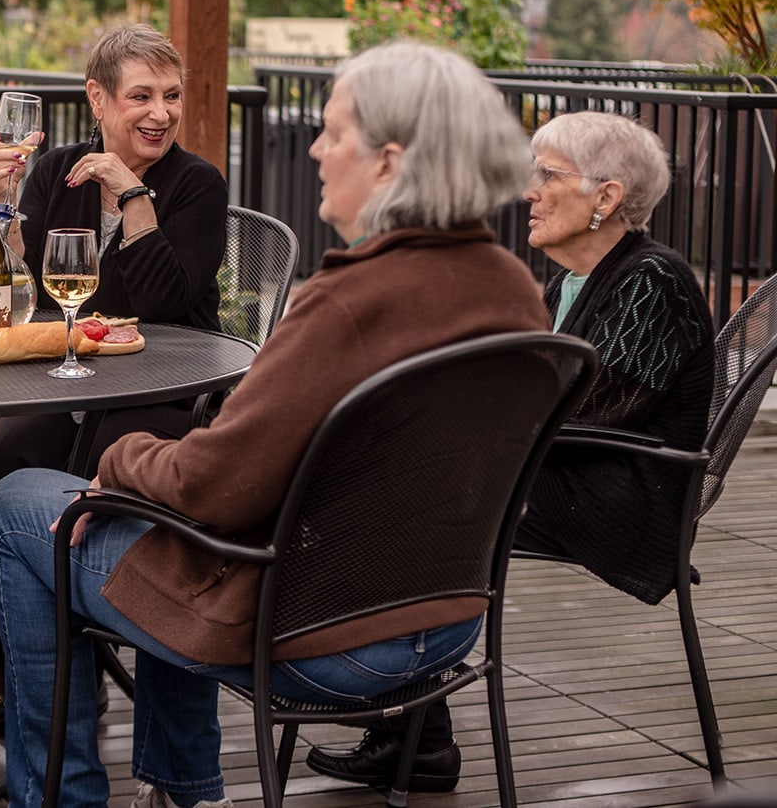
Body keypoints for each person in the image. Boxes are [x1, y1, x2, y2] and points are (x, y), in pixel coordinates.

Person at [0, 40, 550, 808]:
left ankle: (64, 798)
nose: (315, 148)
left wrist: (122, 458)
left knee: (20, 503)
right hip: (448, 619)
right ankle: (186, 789)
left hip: (325, 627)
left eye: (334, 131)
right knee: (139, 512)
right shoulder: (515, 291)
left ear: (387, 162)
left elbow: (209, 486)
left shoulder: (347, 302)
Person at [306, 110, 716, 795]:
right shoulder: (573, 281)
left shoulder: (652, 281)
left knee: (406, 497)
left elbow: (579, 417)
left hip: (623, 496)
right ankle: (410, 730)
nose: (529, 191)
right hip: (569, 469)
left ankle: (401, 722)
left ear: (607, 199)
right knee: (396, 483)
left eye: (549, 176)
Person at [0, 23, 228, 735]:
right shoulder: (60, 171)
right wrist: (1, 201)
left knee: (93, 456)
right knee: (9, 456)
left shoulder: (195, 184)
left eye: (170, 95)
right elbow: (38, 289)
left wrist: (134, 194)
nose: (160, 112)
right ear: (98, 99)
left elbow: (166, 302)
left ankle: (76, 638)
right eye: (140, 96)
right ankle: (13, 659)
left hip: (167, 384)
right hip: (71, 373)